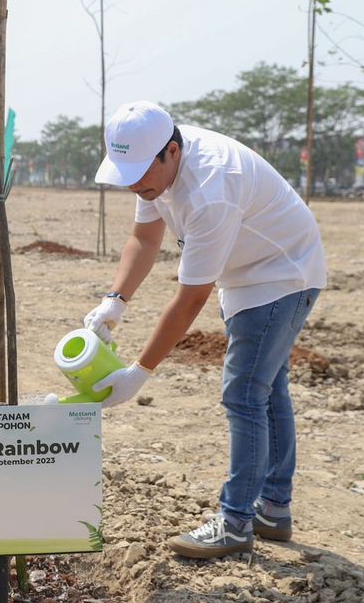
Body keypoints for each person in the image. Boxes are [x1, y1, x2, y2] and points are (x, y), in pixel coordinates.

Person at [83, 100, 326, 559]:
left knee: (244, 394)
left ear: (172, 151)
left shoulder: (212, 189)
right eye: (126, 173)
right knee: (269, 390)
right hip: (251, 270)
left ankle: (235, 522)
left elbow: (189, 298)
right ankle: (273, 509)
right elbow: (145, 237)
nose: (135, 184)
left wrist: (139, 372)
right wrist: (114, 301)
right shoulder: (151, 164)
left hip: (281, 274)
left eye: (139, 173)